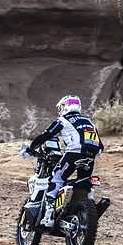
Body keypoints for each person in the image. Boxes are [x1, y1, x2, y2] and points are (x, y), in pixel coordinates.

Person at [24, 94, 103, 226]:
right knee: (84, 184)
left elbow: (47, 134)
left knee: (55, 179)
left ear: (64, 106)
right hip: (91, 155)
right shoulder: (89, 122)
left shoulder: (63, 120)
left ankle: (48, 217)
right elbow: (101, 146)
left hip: (74, 153)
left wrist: (31, 148)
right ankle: (84, 212)